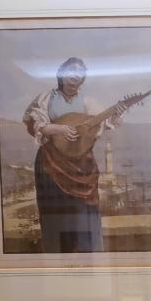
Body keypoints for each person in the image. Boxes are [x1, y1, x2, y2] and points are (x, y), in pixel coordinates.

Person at [21, 57, 122, 253]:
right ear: (61, 74)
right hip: (51, 164)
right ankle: (56, 257)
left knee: (83, 213)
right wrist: (58, 129)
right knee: (55, 211)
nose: (75, 77)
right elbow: (34, 124)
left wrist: (117, 113)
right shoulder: (46, 98)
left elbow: (106, 123)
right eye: (71, 72)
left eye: (80, 75)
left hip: (82, 167)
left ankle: (86, 256)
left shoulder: (88, 102)